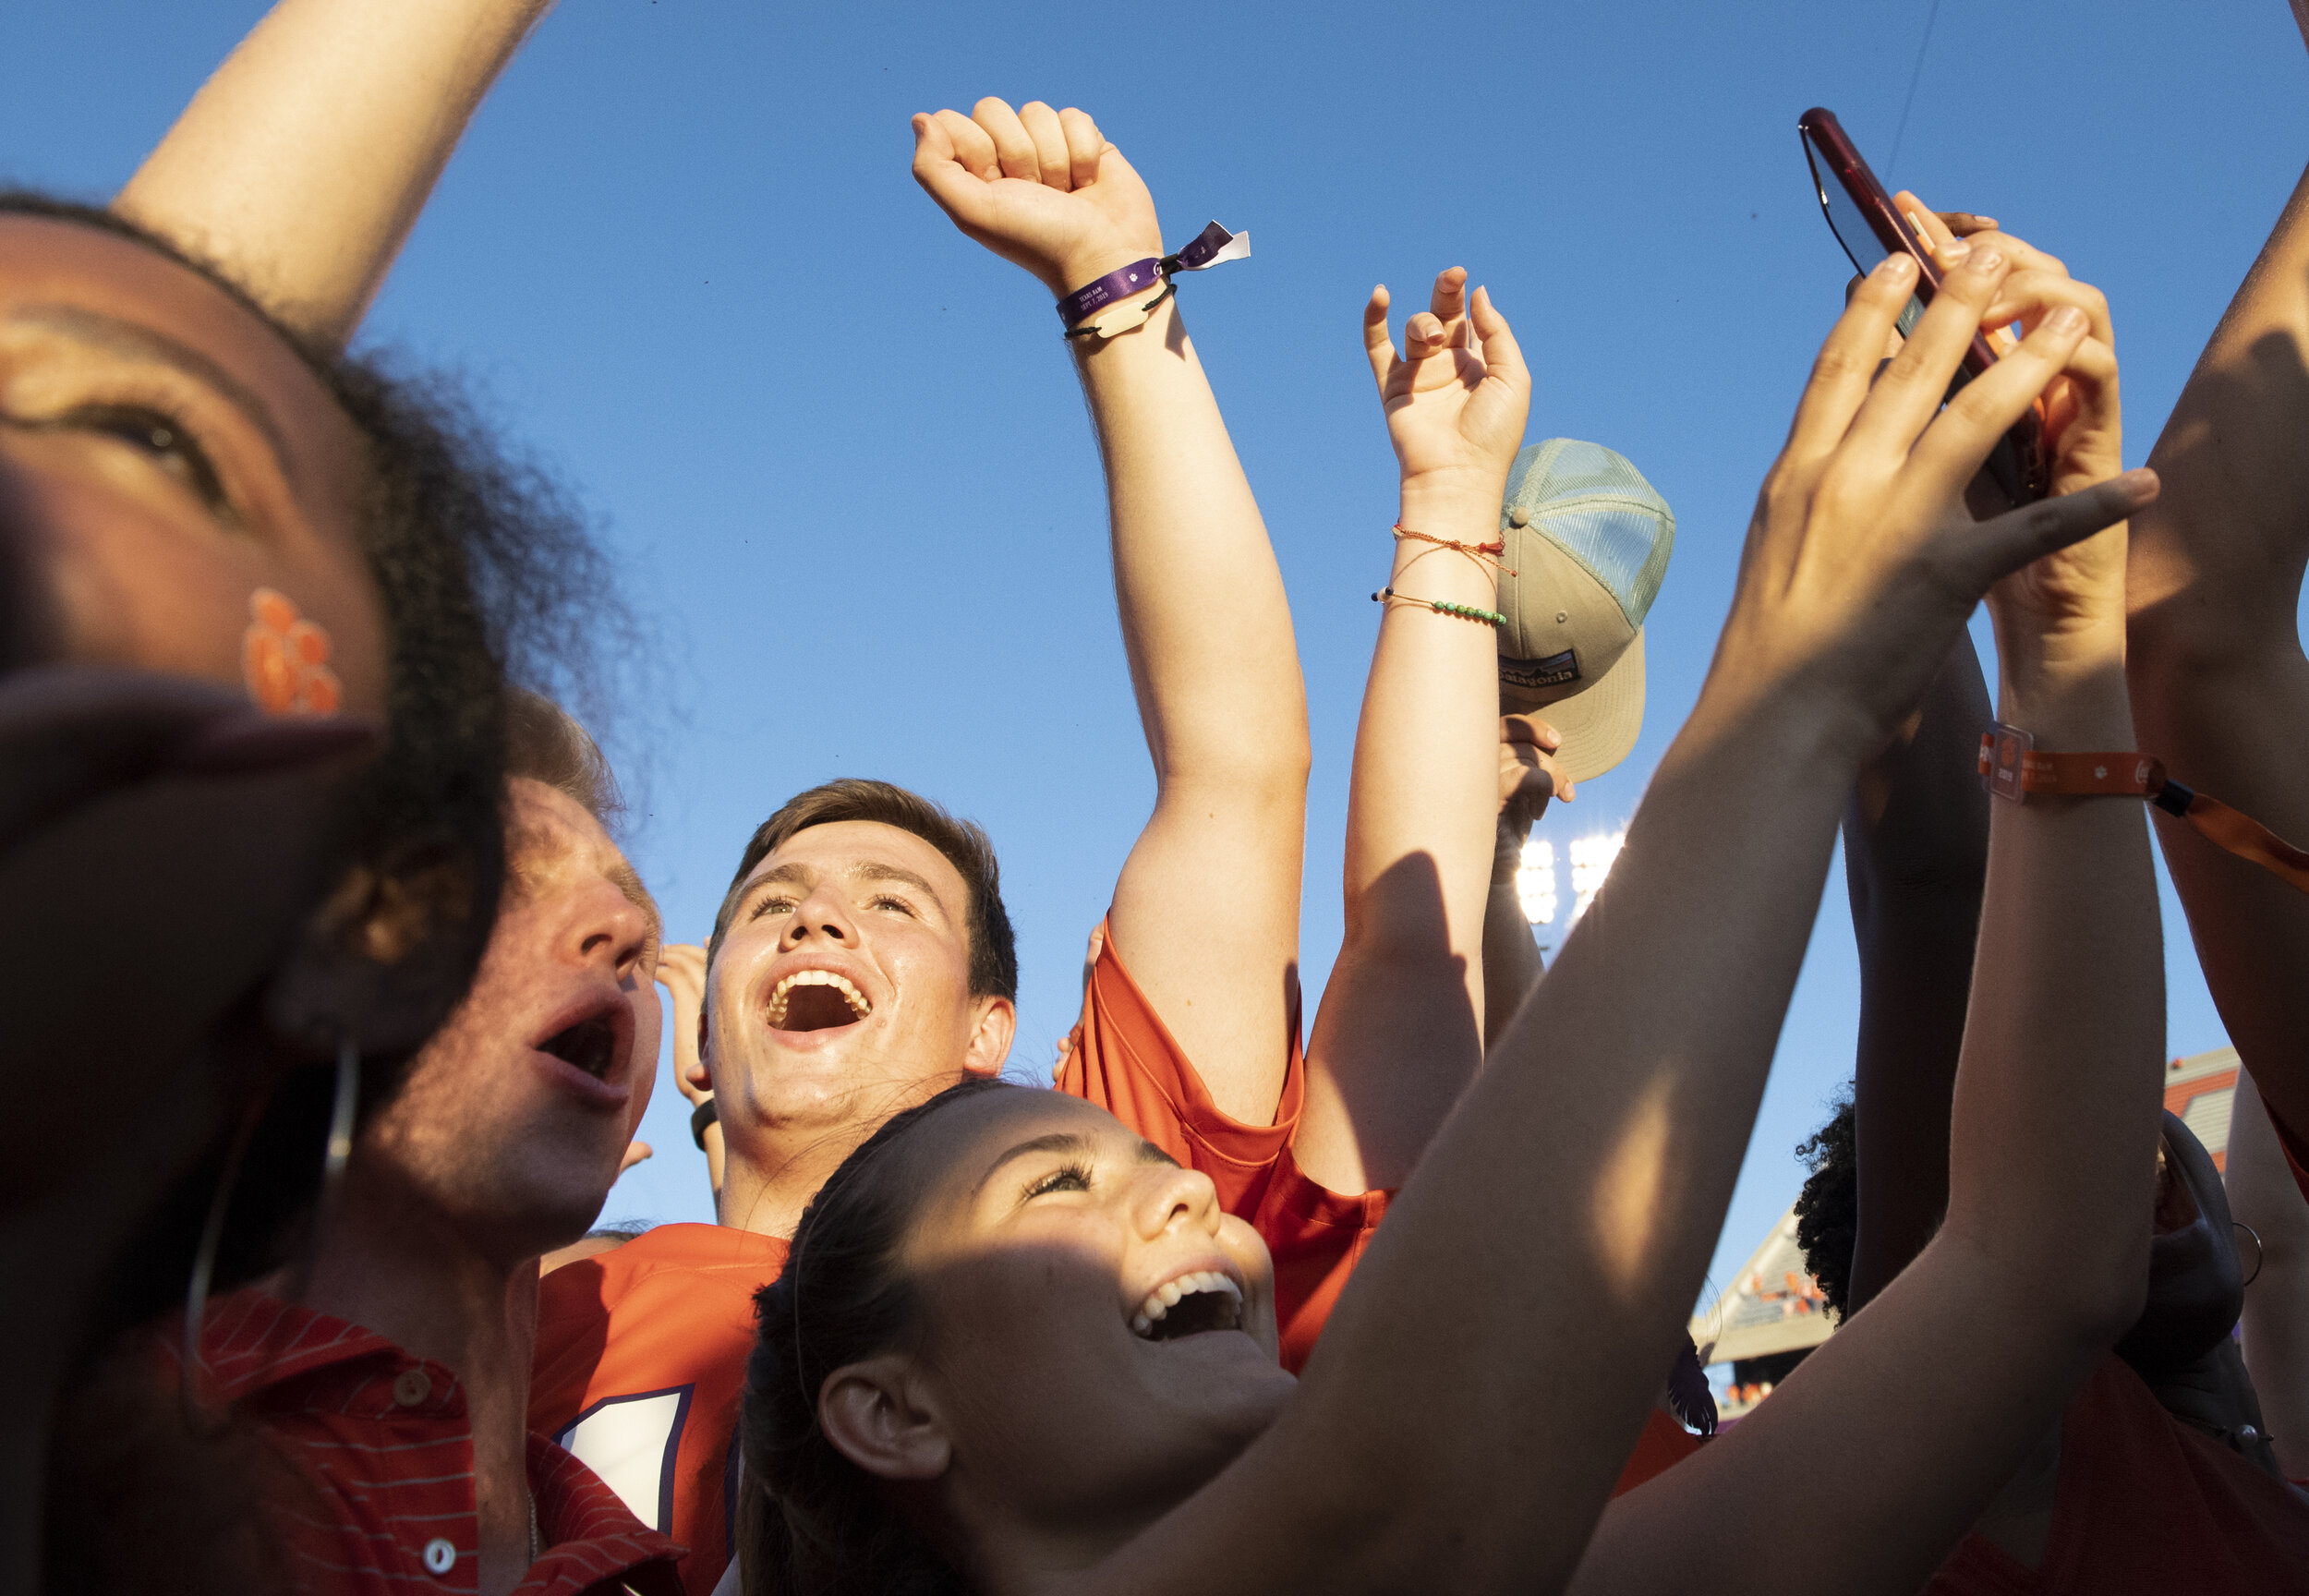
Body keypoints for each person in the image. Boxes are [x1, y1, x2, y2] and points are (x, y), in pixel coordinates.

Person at [734, 225, 2168, 1596]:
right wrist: (1795, 680)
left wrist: (2064, 634)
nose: (1189, 1185)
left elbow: (2035, 1264)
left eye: (1126, 1159)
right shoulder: (1416, 1526)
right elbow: (1402, 1503)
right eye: (1055, 1186)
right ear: (890, 1414)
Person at [531, 95, 1317, 1591]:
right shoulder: (525, 1302)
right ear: (696, 1040)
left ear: (990, 1031)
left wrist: (1114, 292)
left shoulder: (1100, 1192)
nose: (820, 926)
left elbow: (1236, 769)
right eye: (776, 906)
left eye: (892, 904)